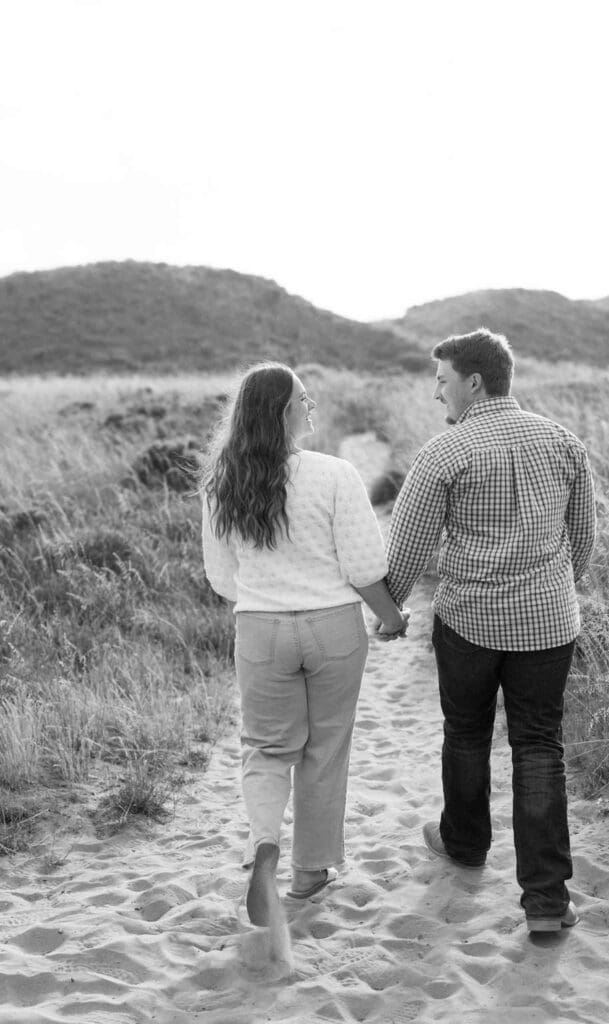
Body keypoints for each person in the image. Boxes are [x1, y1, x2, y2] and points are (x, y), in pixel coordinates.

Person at [384, 329, 596, 933]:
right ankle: (548, 904)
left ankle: (466, 843)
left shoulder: (444, 453)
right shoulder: (562, 442)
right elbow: (583, 541)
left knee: (468, 732)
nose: (436, 394)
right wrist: (550, 587)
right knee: (538, 748)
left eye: (443, 380)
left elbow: (408, 547)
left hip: (469, 626)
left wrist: (390, 610)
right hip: (549, 626)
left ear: (474, 382)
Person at [200, 361, 408, 929]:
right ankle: (310, 870)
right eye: (304, 399)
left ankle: (264, 843)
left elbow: (221, 578)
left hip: (262, 629)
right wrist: (391, 617)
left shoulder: (222, 481)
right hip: (333, 627)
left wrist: (269, 589)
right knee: (325, 748)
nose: (311, 407)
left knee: (266, 748)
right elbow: (365, 566)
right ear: (282, 412)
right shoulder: (334, 474)